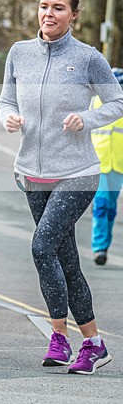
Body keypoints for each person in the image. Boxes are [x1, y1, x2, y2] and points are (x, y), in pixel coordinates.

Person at [0, 0, 123, 375]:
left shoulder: (88, 58)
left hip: (78, 172)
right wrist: (8, 117)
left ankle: (58, 335)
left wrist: (87, 118)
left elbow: (118, 101)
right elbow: (5, 98)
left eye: (57, 8)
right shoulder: (19, 53)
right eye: (43, 6)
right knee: (64, 258)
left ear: (73, 15)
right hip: (33, 172)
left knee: (41, 247)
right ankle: (92, 343)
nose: (48, 14)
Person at [89, 68, 123, 265]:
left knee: (110, 207)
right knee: (101, 204)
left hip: (118, 165)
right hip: (98, 164)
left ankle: (104, 246)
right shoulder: (95, 102)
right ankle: (99, 247)